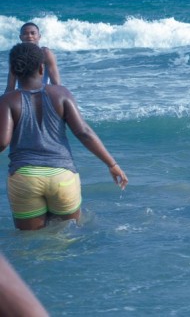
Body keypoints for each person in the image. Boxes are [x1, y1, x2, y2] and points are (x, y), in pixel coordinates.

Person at [0, 43, 128, 231]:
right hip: (62, 176)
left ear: (13, 70)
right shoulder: (61, 94)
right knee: (67, 237)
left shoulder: (8, 100)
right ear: (42, 68)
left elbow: (3, 142)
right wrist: (112, 164)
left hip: (25, 178)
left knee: (31, 244)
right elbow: (84, 132)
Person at [6, 23, 61, 93]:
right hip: (22, 95)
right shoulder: (16, 54)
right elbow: (10, 86)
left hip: (43, 94)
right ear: (20, 37)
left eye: (33, 33)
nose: (29, 36)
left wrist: (59, 99)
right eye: (25, 33)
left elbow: (56, 84)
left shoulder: (45, 53)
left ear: (39, 36)